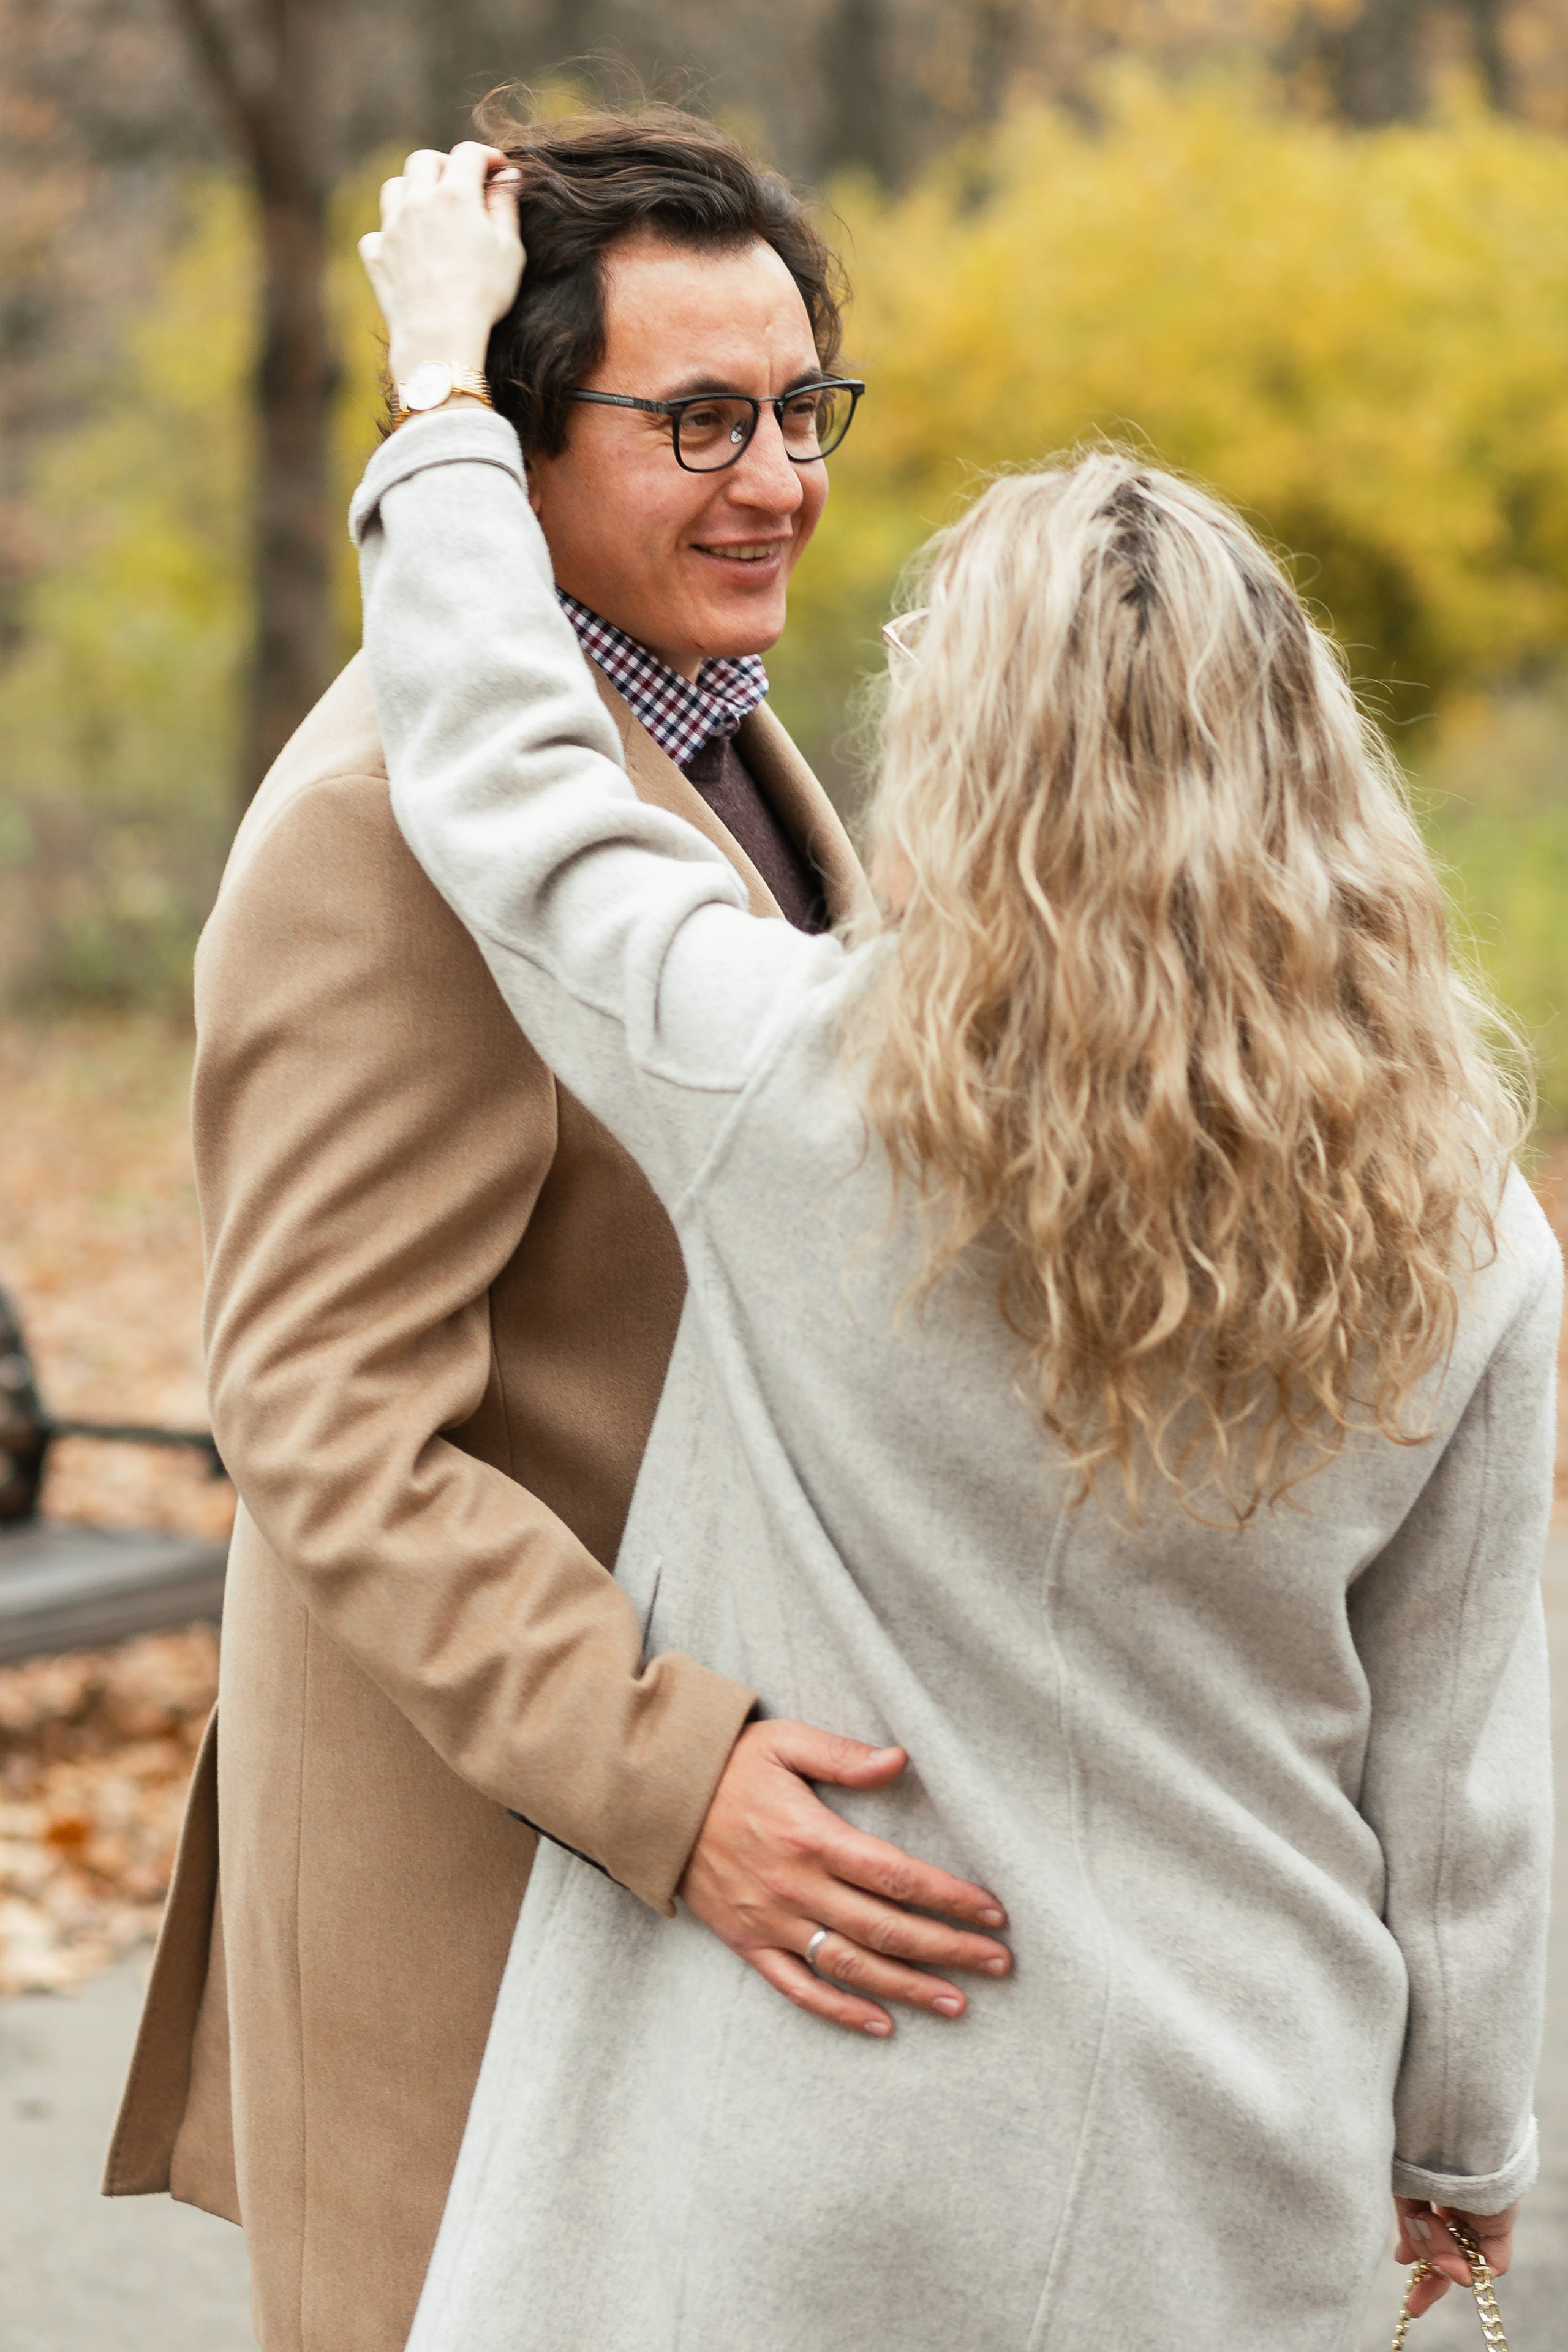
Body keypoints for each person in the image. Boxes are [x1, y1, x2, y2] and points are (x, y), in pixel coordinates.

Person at [347, 144, 1559, 2350]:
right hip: (1244, 2157)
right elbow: (1469, 1767)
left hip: (824, 2133)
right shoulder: (1470, 1220)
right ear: (1316, 768)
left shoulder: (791, 1088)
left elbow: (508, 787)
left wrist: (441, 402)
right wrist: (1464, 2147)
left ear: (966, 764)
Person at [102, 109, 1014, 2352]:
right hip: (485, 1874)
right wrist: (670, 1773)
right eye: (699, 418)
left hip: (690, 1890)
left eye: (804, 409)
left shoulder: (720, 743)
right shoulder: (382, 829)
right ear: (506, 448)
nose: (780, 477)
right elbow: (323, 1423)